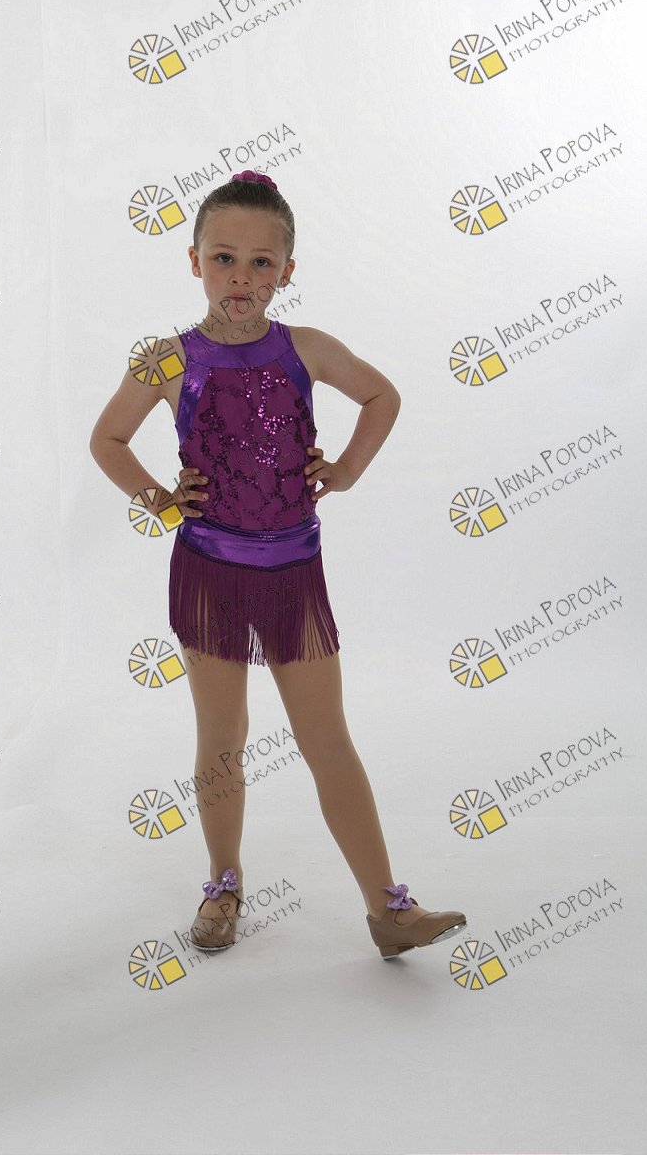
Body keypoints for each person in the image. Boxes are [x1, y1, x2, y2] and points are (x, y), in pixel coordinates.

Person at [89, 170, 467, 960]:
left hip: (295, 571)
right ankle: (223, 884)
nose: (241, 277)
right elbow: (107, 439)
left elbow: (383, 396)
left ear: (287, 271)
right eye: (223, 258)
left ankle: (388, 909)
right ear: (194, 261)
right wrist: (160, 499)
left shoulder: (307, 349)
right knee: (223, 735)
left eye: (261, 262)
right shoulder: (168, 360)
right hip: (210, 571)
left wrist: (349, 469)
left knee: (326, 737)